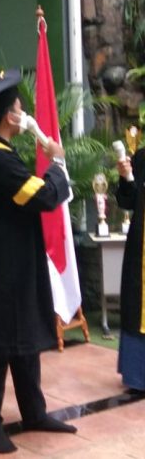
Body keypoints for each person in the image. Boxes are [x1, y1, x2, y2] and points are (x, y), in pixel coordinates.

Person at [0, 69, 77, 454]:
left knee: (24, 341)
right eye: (19, 106)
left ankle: (34, 413)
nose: (25, 111)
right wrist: (56, 165)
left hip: (15, 266)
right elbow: (42, 196)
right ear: (9, 117)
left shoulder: (2, 151)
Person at [116, 147, 145, 392]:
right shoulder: (142, 157)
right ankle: (138, 376)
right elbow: (127, 200)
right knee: (137, 306)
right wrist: (126, 176)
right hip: (141, 246)